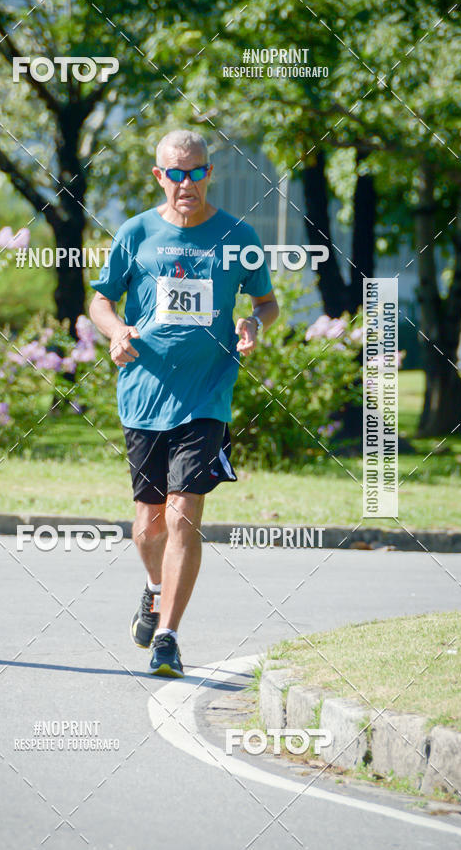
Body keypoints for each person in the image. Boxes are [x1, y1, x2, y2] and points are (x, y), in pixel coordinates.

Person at [89, 129, 279, 678]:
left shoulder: (238, 236)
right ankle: (153, 589)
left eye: (196, 172)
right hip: (144, 394)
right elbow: (102, 299)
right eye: (176, 173)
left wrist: (251, 323)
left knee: (183, 518)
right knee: (148, 528)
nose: (186, 183)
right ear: (159, 176)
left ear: (209, 175)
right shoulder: (137, 233)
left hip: (207, 395)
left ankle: (168, 637)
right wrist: (116, 330)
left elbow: (266, 302)